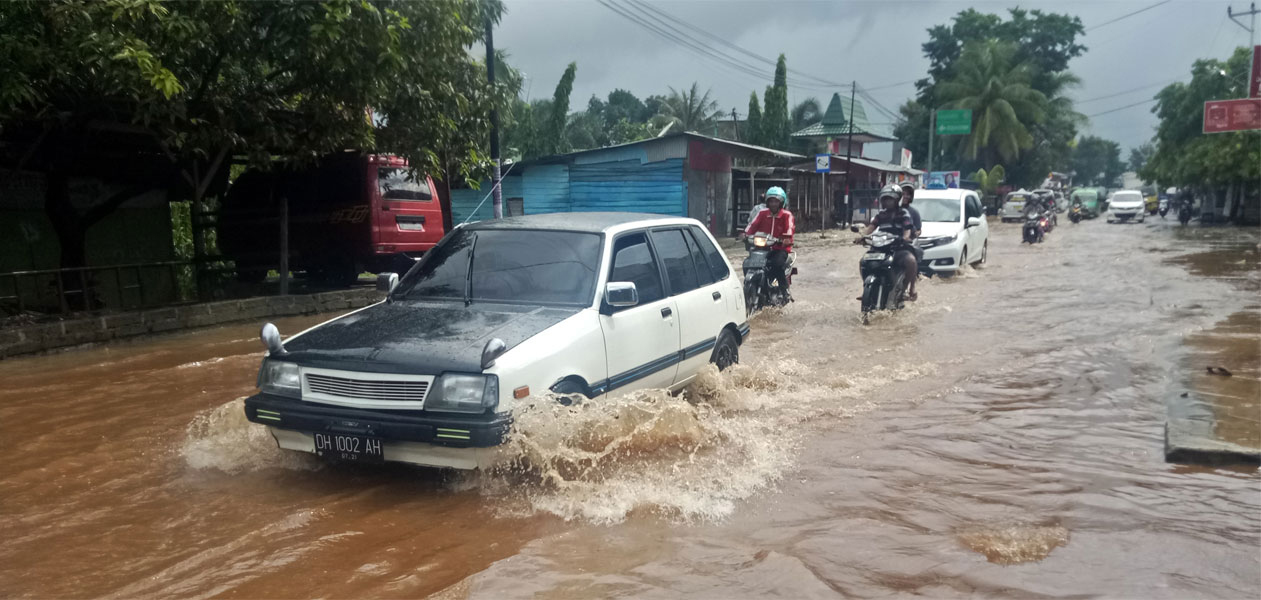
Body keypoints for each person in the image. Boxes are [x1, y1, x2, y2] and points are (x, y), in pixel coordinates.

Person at [858, 184, 918, 301]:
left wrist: (905, 237)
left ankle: (906, 289)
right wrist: (862, 236)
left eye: (889, 199)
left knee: (911, 261)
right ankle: (866, 287)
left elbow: (907, 229)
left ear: (896, 200)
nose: (887, 202)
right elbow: (871, 227)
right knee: (863, 261)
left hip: (898, 247)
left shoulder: (904, 213)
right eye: (885, 199)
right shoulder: (880, 215)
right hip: (880, 247)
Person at [740, 186, 794, 300]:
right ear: (767, 202)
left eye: (776, 201)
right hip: (762, 247)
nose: (773, 204)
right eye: (771, 201)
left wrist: (786, 239)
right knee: (747, 263)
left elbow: (789, 228)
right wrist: (745, 234)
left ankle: (784, 290)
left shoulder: (787, 215)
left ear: (781, 202)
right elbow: (752, 226)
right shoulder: (762, 213)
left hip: (779, 248)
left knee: (776, 264)